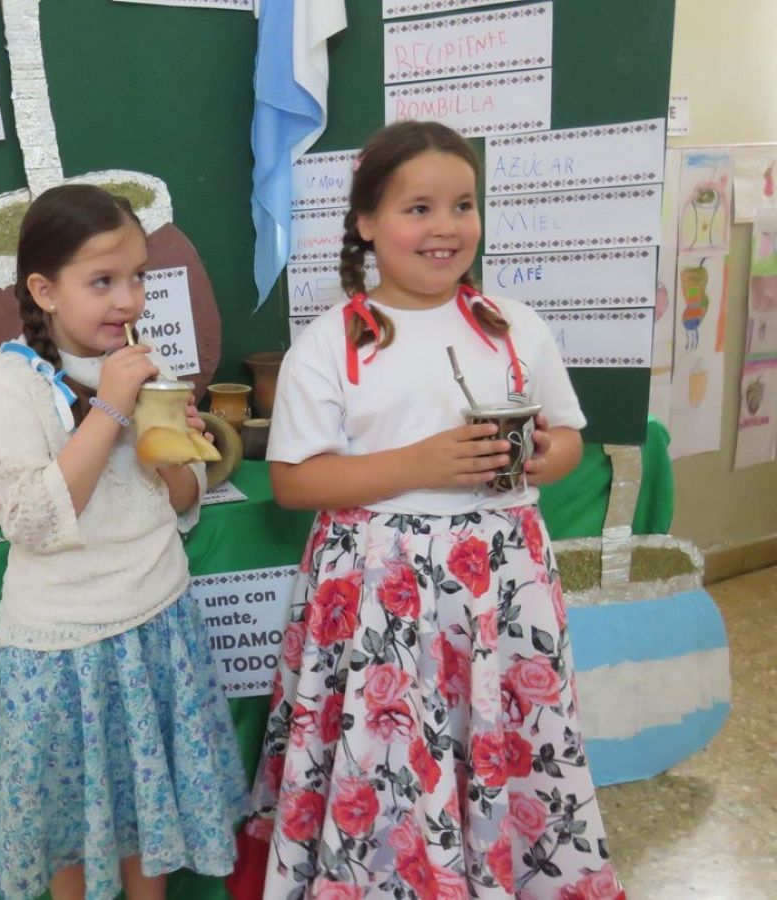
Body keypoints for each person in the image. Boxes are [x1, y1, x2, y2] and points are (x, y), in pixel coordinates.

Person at [233, 122, 625, 899]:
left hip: (500, 588)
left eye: (463, 205)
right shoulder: (332, 343)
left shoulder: (513, 326)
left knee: (501, 737)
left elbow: (569, 436)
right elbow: (293, 483)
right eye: (418, 208)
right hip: (383, 594)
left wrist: (550, 454)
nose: (446, 227)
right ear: (368, 223)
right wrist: (420, 464)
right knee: (392, 754)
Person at [0, 183, 247, 900]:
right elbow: (32, 521)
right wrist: (114, 408)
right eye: (102, 281)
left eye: (137, 278)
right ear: (45, 289)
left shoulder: (142, 367)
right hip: (63, 650)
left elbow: (186, 499)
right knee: (72, 837)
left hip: (159, 623)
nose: (127, 300)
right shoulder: (9, 383)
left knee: (145, 832)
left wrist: (167, 449)